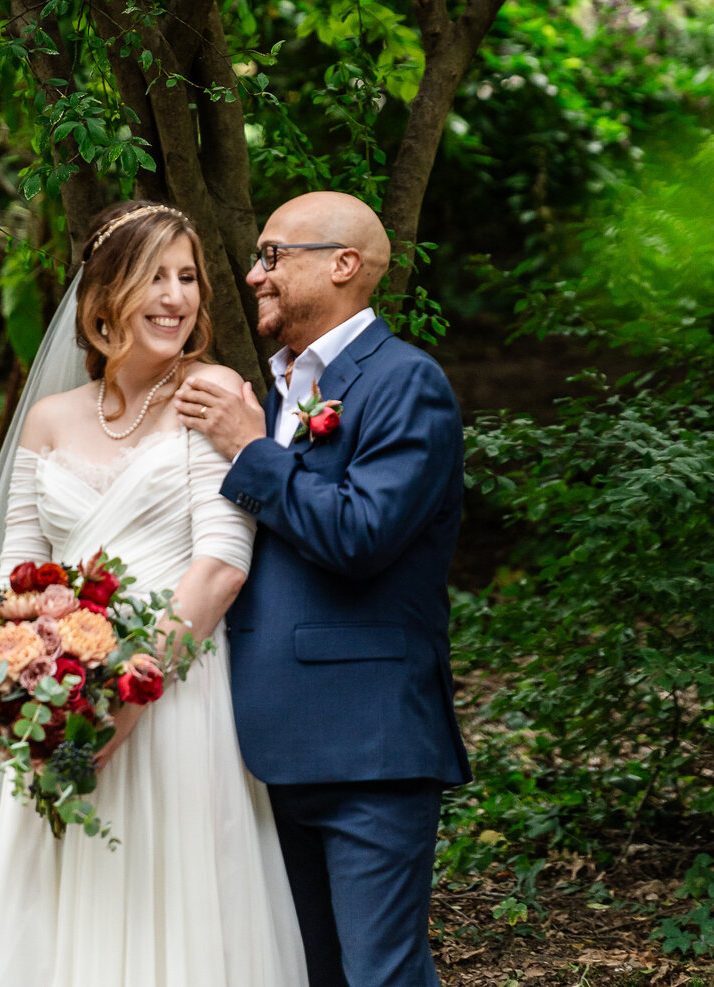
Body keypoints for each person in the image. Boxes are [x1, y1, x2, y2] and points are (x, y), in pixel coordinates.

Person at [0, 201, 308, 987]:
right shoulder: (46, 420)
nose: (177, 296)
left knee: (172, 896)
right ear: (104, 295)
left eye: (188, 277)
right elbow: (17, 580)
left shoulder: (209, 394)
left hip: (176, 694)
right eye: (156, 276)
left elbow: (221, 564)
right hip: (63, 698)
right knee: (66, 898)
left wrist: (130, 695)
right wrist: (15, 690)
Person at [175, 190, 471, 987]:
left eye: (272, 255)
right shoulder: (273, 392)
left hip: (367, 745)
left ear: (343, 265)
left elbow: (362, 534)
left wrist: (248, 448)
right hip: (261, 745)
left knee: (381, 974)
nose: (252, 273)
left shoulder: (407, 382)